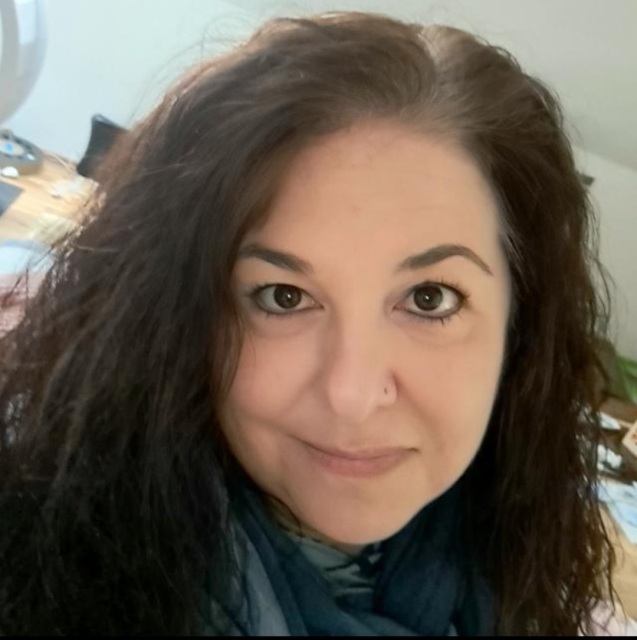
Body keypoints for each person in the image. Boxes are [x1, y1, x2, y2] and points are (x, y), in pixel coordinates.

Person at [0, 10, 631, 636]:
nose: (351, 395)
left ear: (520, 332)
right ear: (179, 313)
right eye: (283, 297)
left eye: (429, 298)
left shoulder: (524, 573)